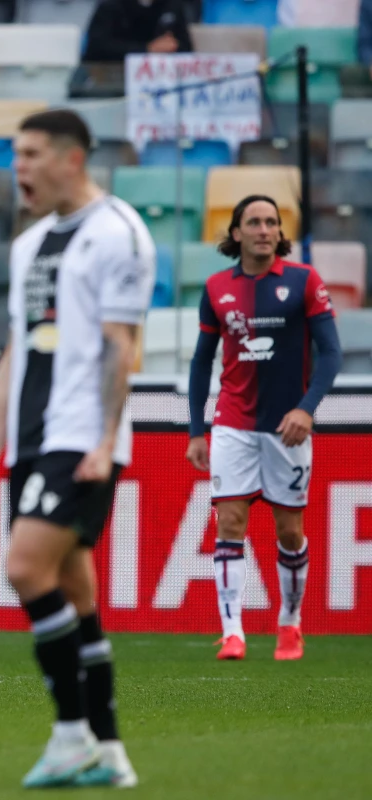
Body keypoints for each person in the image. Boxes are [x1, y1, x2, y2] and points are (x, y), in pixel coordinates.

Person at [0, 109, 154, 788]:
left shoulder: (119, 233)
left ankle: (70, 734)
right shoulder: (30, 242)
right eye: (16, 153)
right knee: (74, 588)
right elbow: (19, 347)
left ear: (72, 159)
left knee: (23, 568)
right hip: (31, 441)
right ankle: (111, 751)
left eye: (33, 154)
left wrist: (104, 441)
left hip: (80, 438)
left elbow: (123, 347)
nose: (21, 166)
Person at [185, 196, 342, 663]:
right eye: (253, 222)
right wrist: (198, 430)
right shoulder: (216, 288)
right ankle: (232, 633)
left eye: (271, 222)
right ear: (236, 233)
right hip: (233, 423)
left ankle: (290, 623)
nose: (263, 229)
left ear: (279, 232)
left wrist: (306, 409)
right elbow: (200, 361)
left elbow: (331, 354)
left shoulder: (304, 281)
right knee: (230, 522)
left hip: (287, 428)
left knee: (289, 531)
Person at [83, 0, 193, 63]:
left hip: (160, 78)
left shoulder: (173, 6)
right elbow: (97, 47)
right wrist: (147, 48)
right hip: (110, 78)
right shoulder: (110, 6)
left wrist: (173, 45)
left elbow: (186, 48)